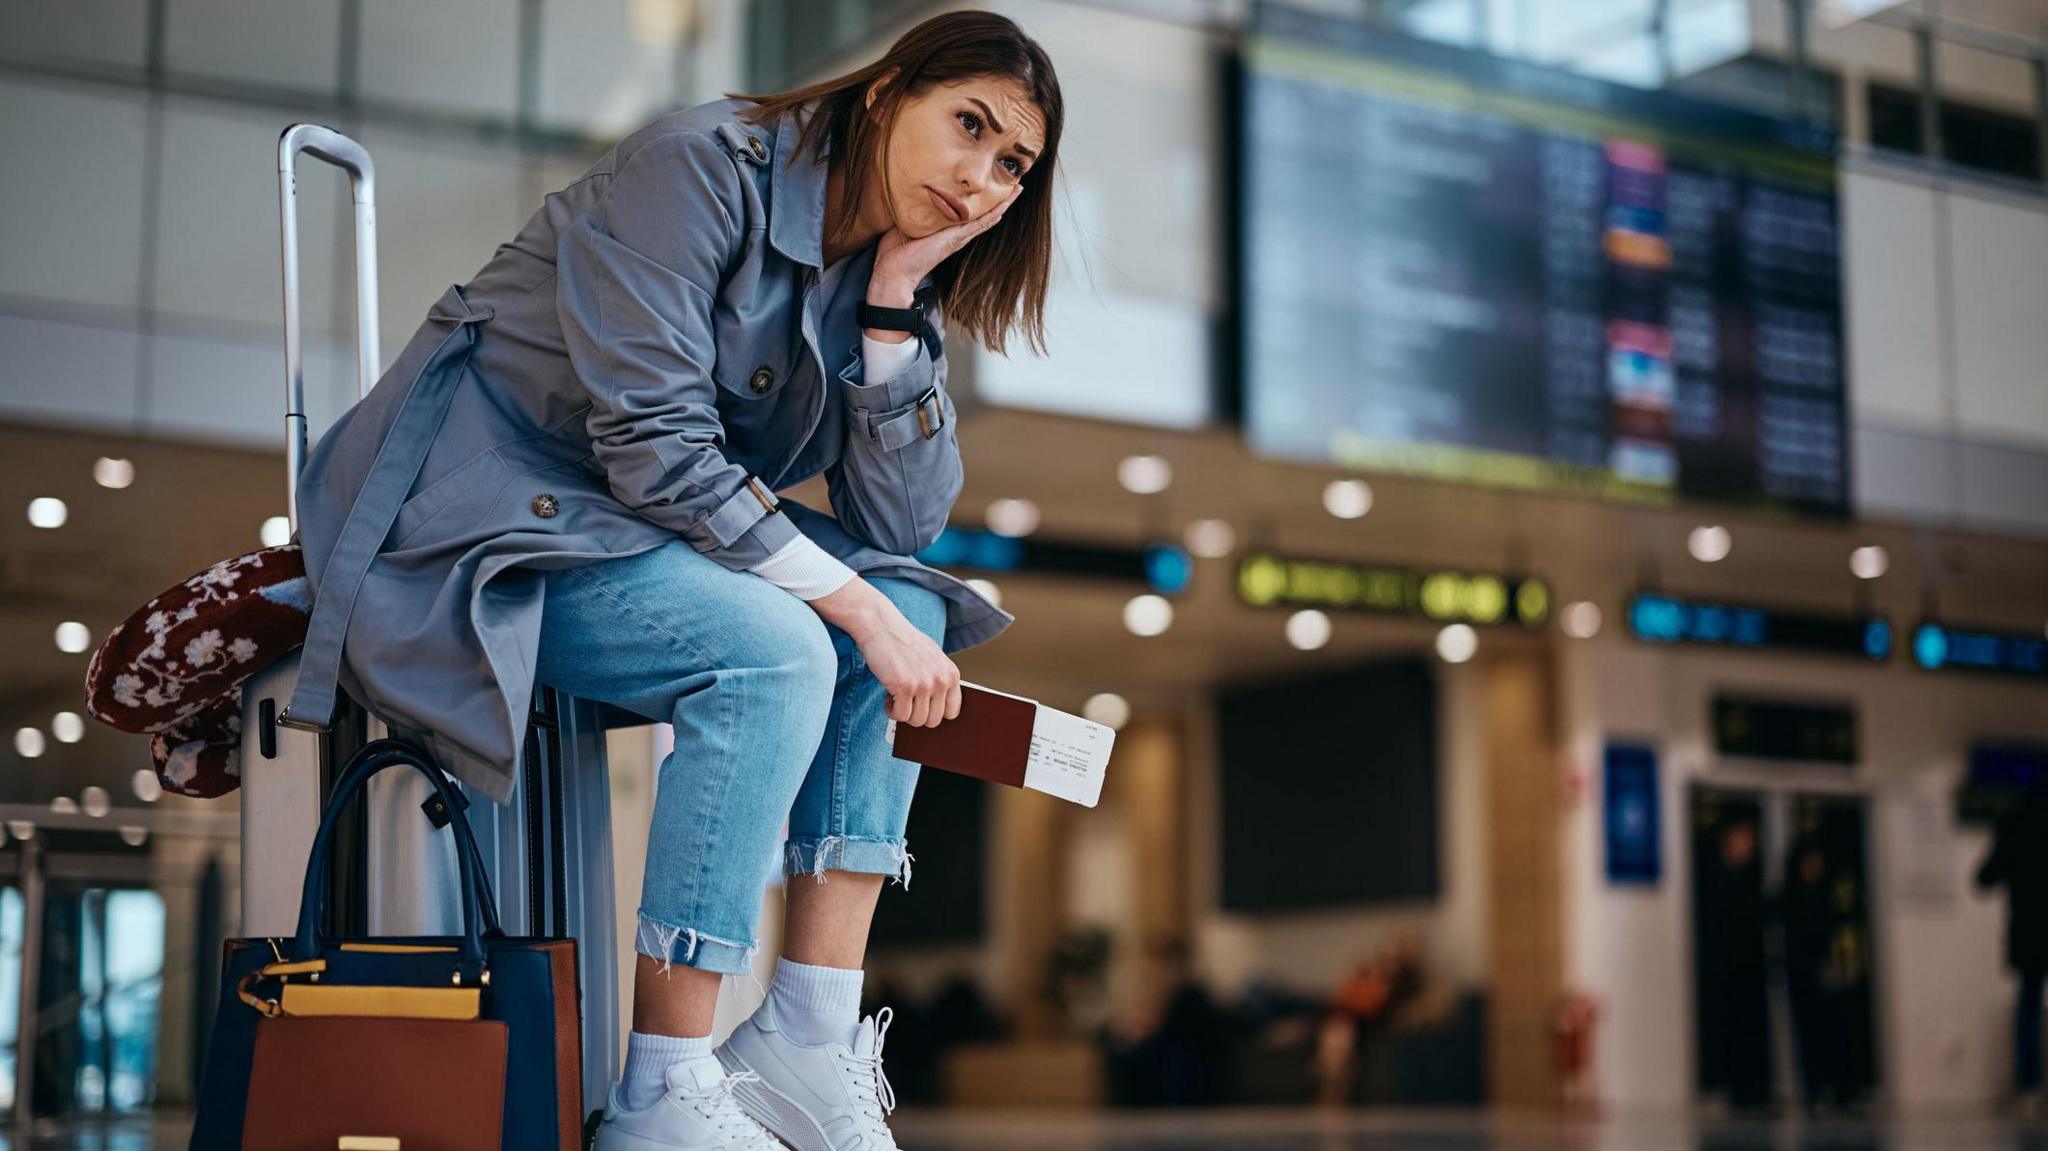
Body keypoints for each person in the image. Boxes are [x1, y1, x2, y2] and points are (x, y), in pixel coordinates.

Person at [288, 11, 1063, 1148]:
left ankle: (805, 1028)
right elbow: (654, 444)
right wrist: (839, 604)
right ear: (888, 89)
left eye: (1012, 163)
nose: (981, 177)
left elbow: (901, 520)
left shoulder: (881, 270)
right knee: (782, 646)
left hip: (618, 525)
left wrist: (895, 301)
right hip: (466, 513)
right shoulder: (695, 164)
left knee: (905, 600)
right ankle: (663, 1085)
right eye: (969, 125)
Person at [1977, 778, 2048, 1111]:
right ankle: (2031, 1086)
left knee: (2029, 1004)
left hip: (2029, 928)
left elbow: (1985, 878)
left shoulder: (2015, 824)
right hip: (2034, 926)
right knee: (2029, 1004)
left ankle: (2030, 1086)